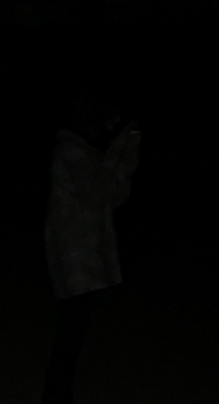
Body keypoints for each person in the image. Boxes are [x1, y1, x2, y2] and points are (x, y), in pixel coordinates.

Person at [41, 84, 142, 404]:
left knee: (80, 332)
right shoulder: (72, 152)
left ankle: (65, 392)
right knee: (73, 332)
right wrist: (121, 148)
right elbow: (102, 193)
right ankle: (58, 395)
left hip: (86, 261)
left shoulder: (85, 154)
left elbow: (115, 195)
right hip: (76, 261)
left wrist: (123, 149)